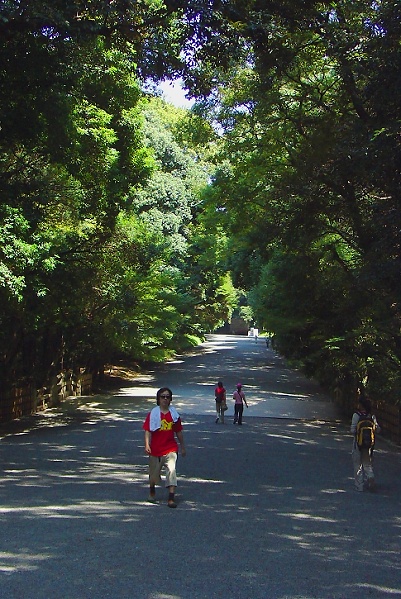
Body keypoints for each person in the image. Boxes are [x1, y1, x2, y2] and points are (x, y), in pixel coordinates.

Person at [143, 387, 186, 508]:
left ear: (170, 399)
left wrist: (182, 447)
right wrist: (147, 444)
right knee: (153, 474)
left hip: (170, 448)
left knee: (171, 470)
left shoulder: (174, 415)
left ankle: (171, 498)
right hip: (155, 449)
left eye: (167, 397)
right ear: (158, 399)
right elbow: (148, 430)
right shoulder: (153, 414)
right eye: (163, 397)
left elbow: (178, 432)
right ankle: (152, 489)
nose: (165, 399)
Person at [350, 393, 380, 491]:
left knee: (357, 464)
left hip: (358, 444)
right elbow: (378, 429)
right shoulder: (372, 416)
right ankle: (370, 477)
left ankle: (359, 486)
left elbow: (353, 430)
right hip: (369, 445)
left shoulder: (356, 415)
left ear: (360, 405)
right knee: (367, 463)